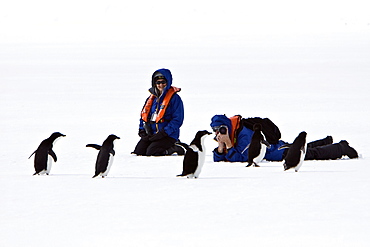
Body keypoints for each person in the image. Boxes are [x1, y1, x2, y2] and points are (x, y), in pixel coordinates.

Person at [210, 114, 358, 162]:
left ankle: (341, 148)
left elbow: (245, 158)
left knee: (310, 154)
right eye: (215, 131)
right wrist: (221, 148)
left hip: (278, 152)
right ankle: (326, 142)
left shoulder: (245, 135)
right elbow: (219, 160)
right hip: (276, 149)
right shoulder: (234, 133)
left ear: (227, 126)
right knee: (300, 147)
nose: (218, 133)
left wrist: (228, 145)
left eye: (220, 129)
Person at [132, 68, 185, 156]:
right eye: (158, 82)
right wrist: (142, 130)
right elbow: (144, 116)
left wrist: (164, 132)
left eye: (163, 82)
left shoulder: (175, 98)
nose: (160, 85)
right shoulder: (151, 99)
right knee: (139, 151)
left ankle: (177, 147)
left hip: (168, 135)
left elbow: (177, 120)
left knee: (152, 152)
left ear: (168, 82)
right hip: (152, 134)